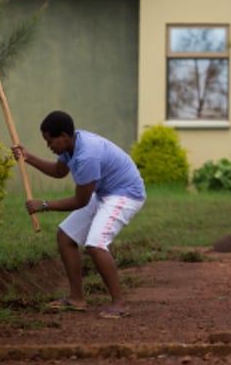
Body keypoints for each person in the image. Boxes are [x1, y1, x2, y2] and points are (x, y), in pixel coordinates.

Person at [12, 110, 146, 319]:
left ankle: (119, 303)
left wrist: (45, 205)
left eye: (50, 141)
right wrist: (28, 158)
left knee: (95, 244)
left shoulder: (87, 156)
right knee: (66, 235)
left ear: (64, 136)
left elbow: (81, 201)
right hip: (104, 192)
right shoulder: (71, 145)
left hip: (125, 194)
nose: (49, 146)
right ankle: (77, 298)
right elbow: (59, 172)